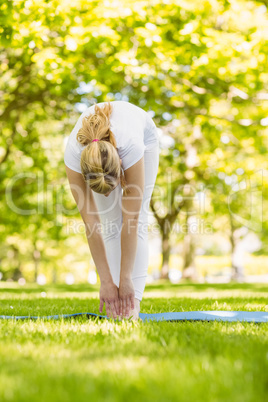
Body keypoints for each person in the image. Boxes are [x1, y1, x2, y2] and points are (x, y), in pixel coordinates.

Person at [64, 100, 159, 320]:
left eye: (112, 187)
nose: (107, 196)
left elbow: (131, 221)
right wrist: (106, 281)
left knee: (137, 218)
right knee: (109, 225)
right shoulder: (74, 158)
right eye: (100, 191)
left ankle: (131, 305)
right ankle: (115, 304)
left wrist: (126, 280)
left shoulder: (132, 149)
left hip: (144, 134)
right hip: (98, 152)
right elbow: (91, 225)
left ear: (121, 169)